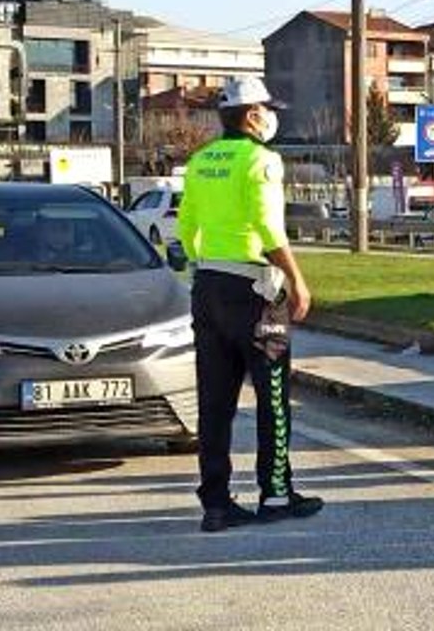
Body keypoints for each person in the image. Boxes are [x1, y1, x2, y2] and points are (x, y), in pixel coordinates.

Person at [176, 76, 321, 533]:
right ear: (254, 115)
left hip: (209, 285)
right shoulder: (262, 160)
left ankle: (215, 502)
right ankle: (276, 493)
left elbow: (186, 226)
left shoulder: (200, 160)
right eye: (267, 109)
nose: (271, 116)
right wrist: (296, 279)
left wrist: (204, 268)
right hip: (256, 290)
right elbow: (267, 224)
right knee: (272, 396)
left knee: (214, 401)